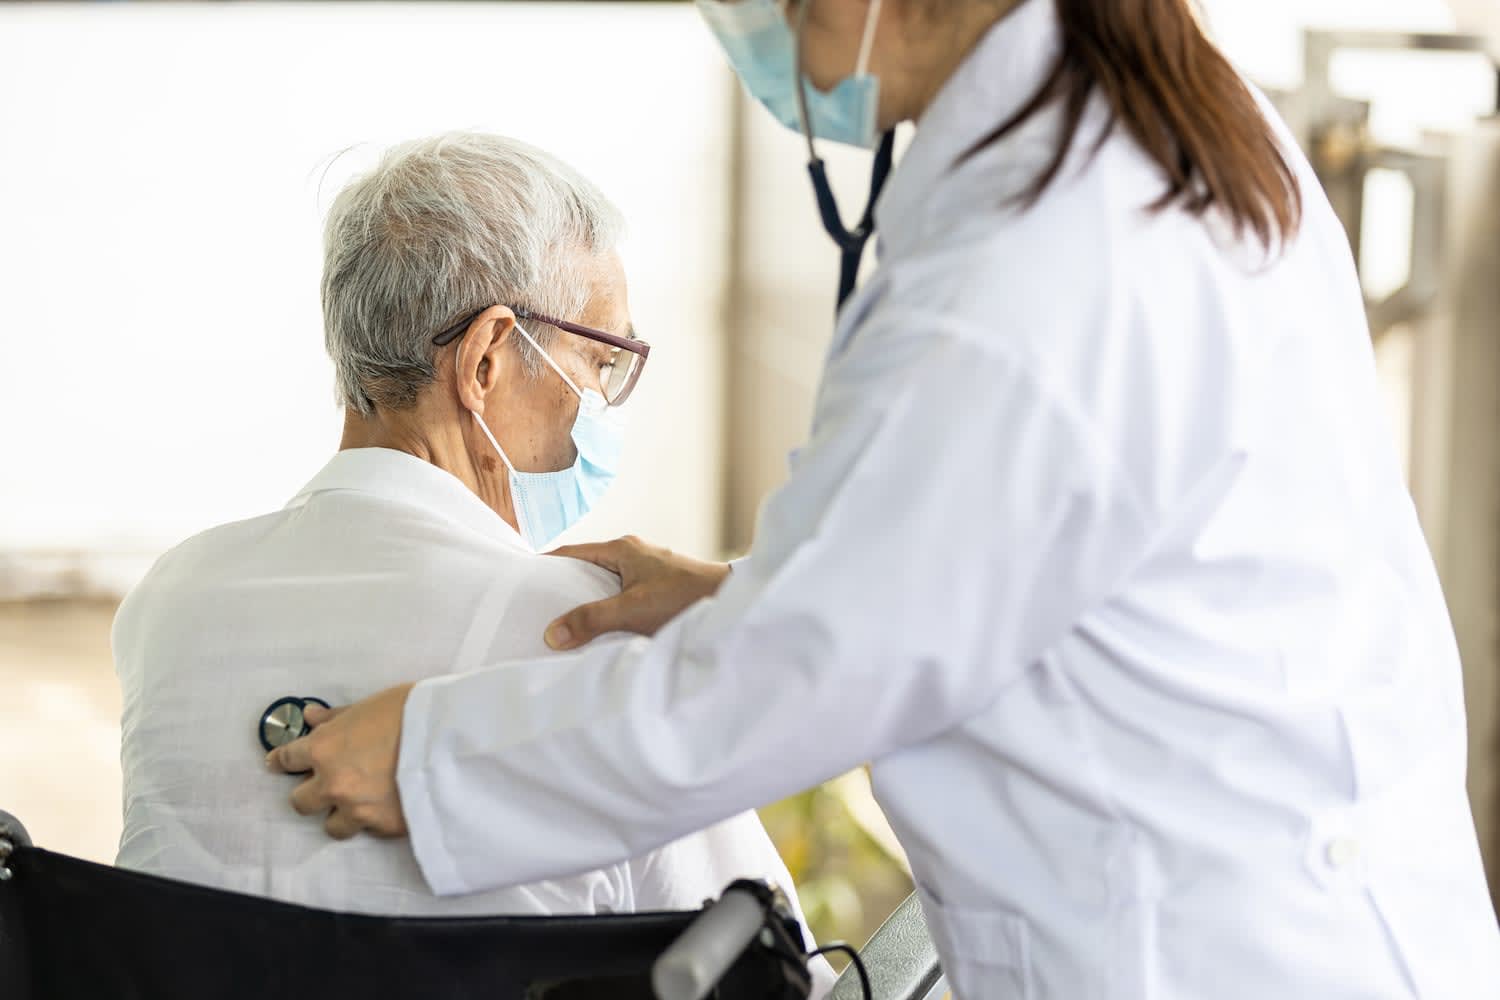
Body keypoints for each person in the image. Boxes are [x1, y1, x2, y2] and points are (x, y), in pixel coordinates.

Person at [268, 1, 1500, 997]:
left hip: (1208, 947)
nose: (758, 34)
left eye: (783, 7)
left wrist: (433, 760)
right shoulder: (1139, 134)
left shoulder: (1032, 262)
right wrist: (746, 595)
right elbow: (1019, 559)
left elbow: (792, 685)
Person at [112, 132, 829, 974]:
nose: (603, 403)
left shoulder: (169, 602)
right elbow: (777, 968)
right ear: (487, 360)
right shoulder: (591, 632)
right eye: (602, 361)